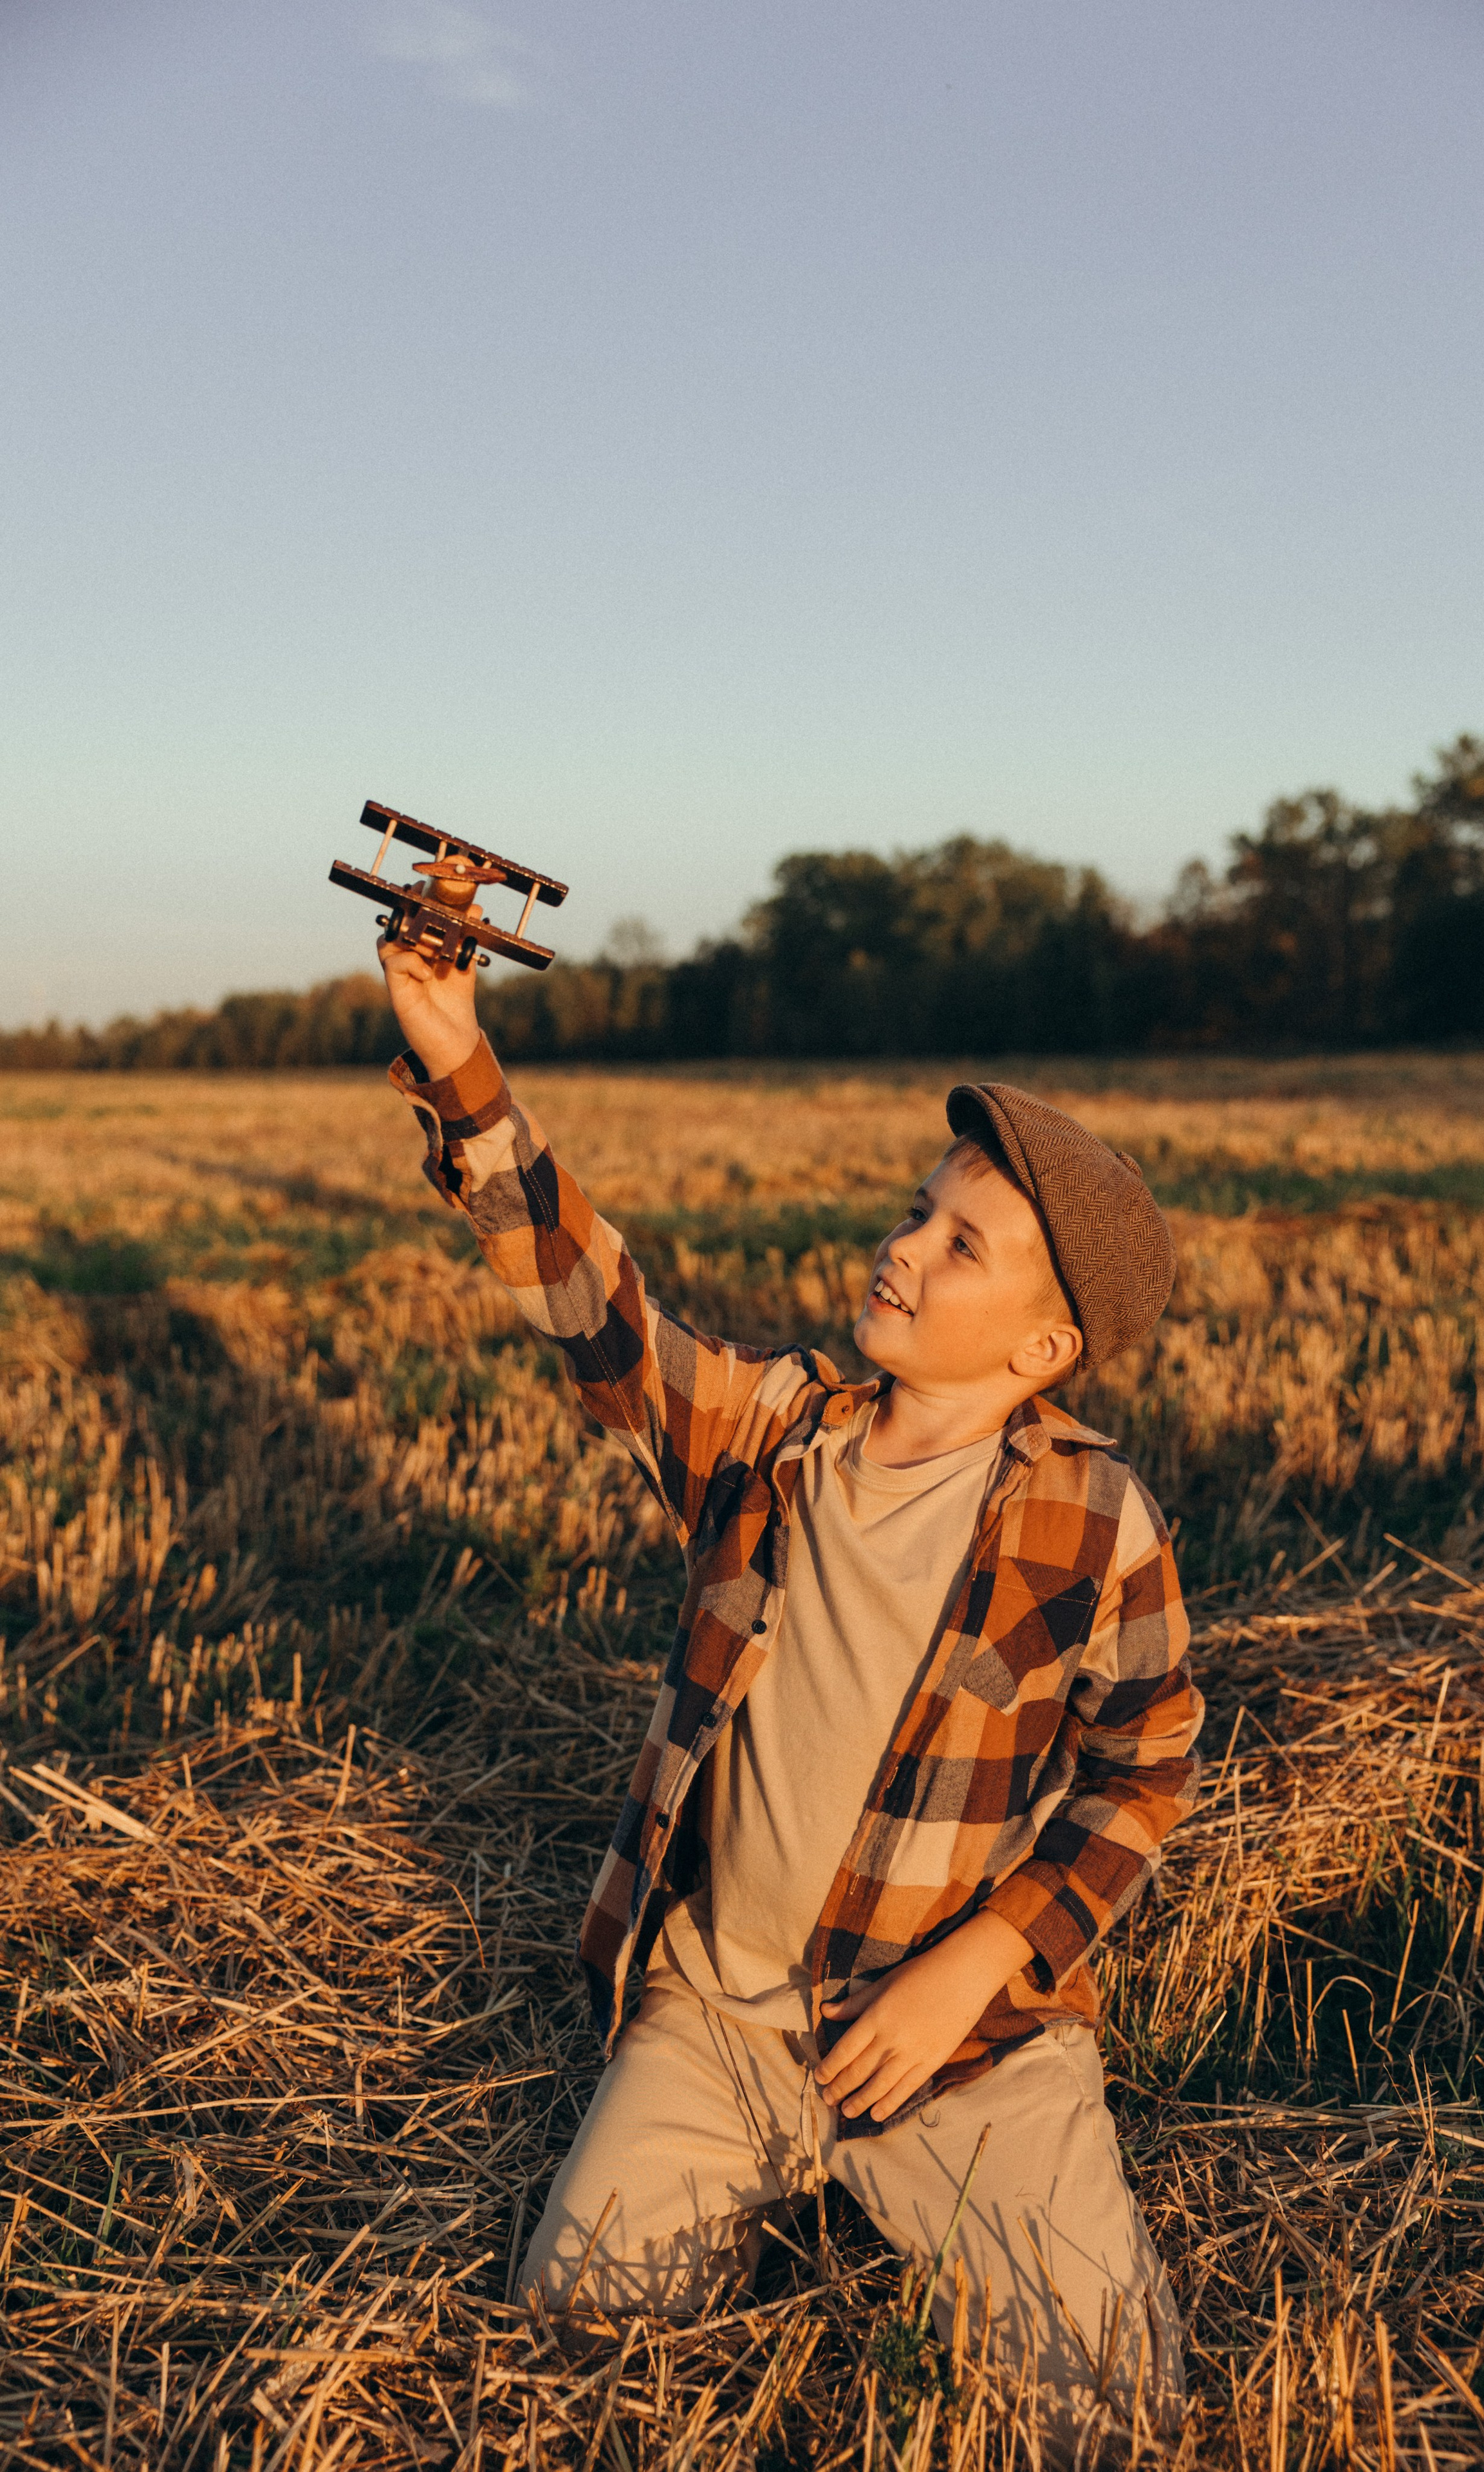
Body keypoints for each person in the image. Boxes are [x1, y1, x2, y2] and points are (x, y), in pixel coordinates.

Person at [378, 924, 1203, 2455]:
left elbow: (1142, 1769)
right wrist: (455, 1057)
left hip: (957, 2044)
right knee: (575, 2349)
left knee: (1109, 2409)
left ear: (1045, 1346)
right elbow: (598, 1310)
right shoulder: (774, 1435)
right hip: (720, 2017)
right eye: (916, 1211)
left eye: (961, 1246)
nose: (903, 1247)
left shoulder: (1092, 1523)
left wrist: (984, 1961)